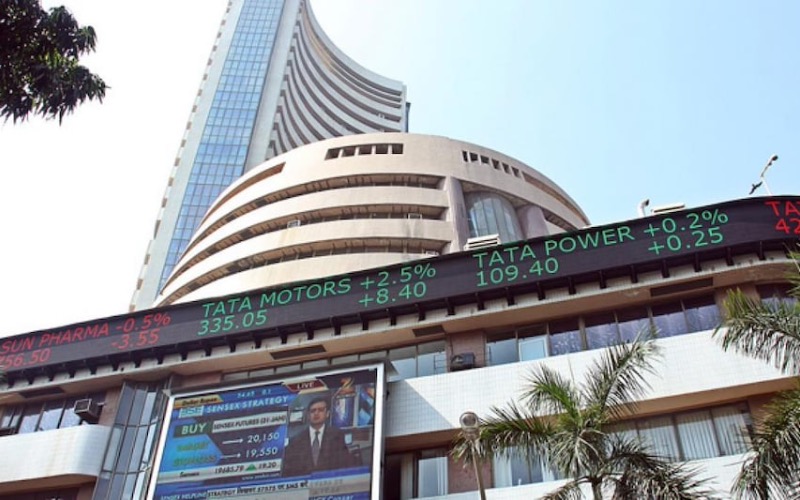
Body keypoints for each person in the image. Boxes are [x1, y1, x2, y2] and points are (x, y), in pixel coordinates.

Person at [282, 396, 356, 476]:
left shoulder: (337, 436)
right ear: (308, 415)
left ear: (327, 414)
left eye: (320, 410)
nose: (316, 413)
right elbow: (289, 470)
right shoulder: (296, 441)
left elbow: (344, 464)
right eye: (313, 411)